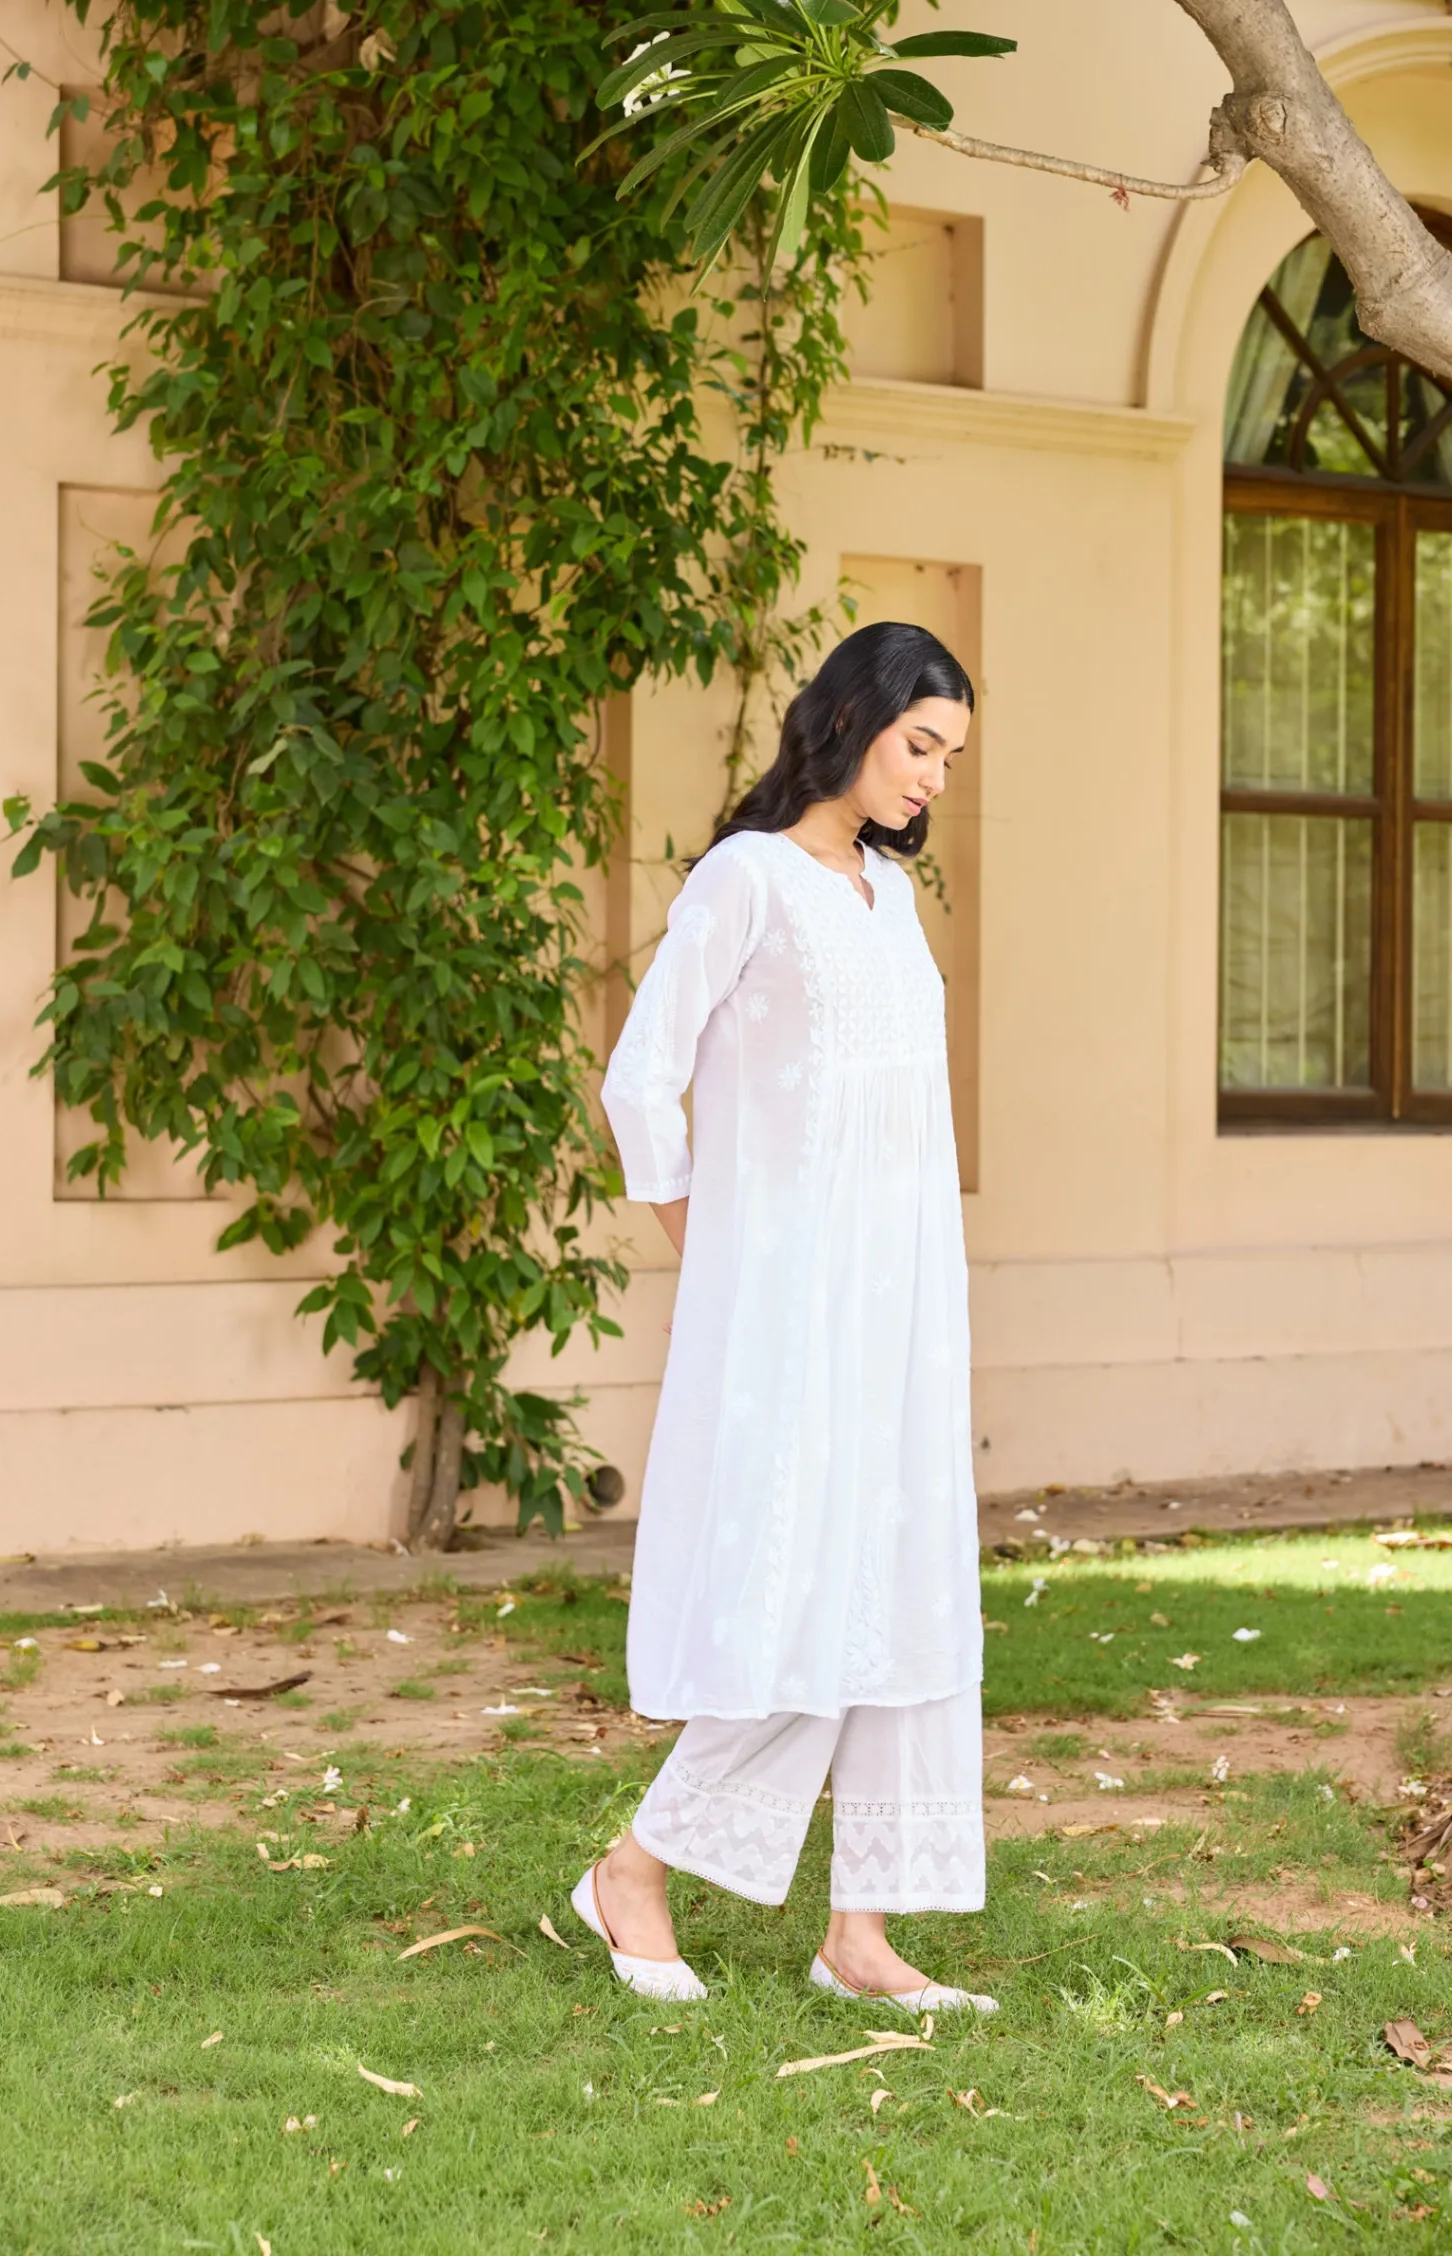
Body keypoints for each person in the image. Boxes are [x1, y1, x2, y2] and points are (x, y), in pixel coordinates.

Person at [571, 621, 993, 2015]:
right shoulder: (746, 880)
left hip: (904, 1311)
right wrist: (717, 1257)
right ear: (855, 718)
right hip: (791, 1318)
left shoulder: (890, 894)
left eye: (950, 759)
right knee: (801, 1594)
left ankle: (860, 1934)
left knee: (902, 1590)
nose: (933, 778)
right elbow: (642, 1079)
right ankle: (633, 1869)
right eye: (920, 744)